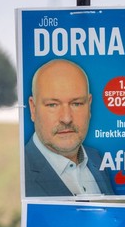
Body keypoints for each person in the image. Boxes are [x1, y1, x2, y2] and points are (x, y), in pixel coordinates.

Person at [24, 59, 115, 197]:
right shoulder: (20, 172)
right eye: (52, 105)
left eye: (77, 104)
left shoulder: (97, 159)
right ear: (33, 108)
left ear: (89, 106)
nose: (66, 118)